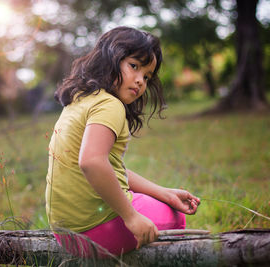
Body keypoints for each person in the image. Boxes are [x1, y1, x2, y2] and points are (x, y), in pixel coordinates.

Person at [45, 26, 200, 257]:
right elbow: (92, 163)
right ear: (109, 59)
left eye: (147, 76)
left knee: (159, 203)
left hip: (66, 233)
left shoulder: (82, 99)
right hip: (94, 232)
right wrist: (131, 217)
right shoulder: (110, 105)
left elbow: (109, 167)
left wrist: (163, 192)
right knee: (175, 216)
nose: (140, 81)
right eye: (134, 66)